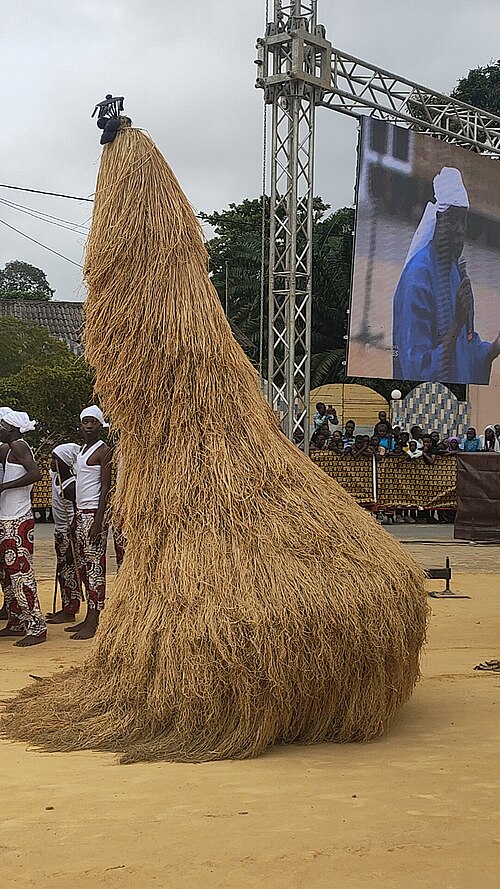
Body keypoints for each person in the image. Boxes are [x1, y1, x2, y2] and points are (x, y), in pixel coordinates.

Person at [393, 167, 500, 384]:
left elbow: (467, 345)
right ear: (438, 220)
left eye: (463, 221)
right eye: (452, 221)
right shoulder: (417, 279)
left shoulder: (455, 271)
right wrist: (457, 324)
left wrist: (494, 349)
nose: (460, 230)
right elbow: (416, 369)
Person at [0, 409, 46, 646]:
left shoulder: (19, 446)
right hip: (7, 518)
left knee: (21, 574)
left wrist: (4, 486)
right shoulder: (8, 449)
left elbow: (35, 474)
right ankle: (17, 621)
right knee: (8, 575)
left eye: (1, 425)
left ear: (10, 429)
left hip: (18, 518)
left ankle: (37, 627)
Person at [65, 406, 111, 640]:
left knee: (95, 567)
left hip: (94, 513)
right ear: (81, 425)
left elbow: (105, 488)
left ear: (101, 425)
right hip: (81, 513)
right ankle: (88, 615)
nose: (89, 426)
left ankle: (95, 618)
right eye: (86, 422)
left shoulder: (103, 451)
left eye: (93, 422)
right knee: (84, 566)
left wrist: (98, 521)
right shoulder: (84, 450)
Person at [47, 443, 81, 624]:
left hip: (69, 533)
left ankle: (70, 611)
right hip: (59, 532)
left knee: (70, 572)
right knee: (62, 572)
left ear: (65, 462)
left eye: (55, 459)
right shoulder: (56, 476)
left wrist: (72, 544)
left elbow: (78, 514)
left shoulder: (71, 486)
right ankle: (65, 606)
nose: (51, 462)